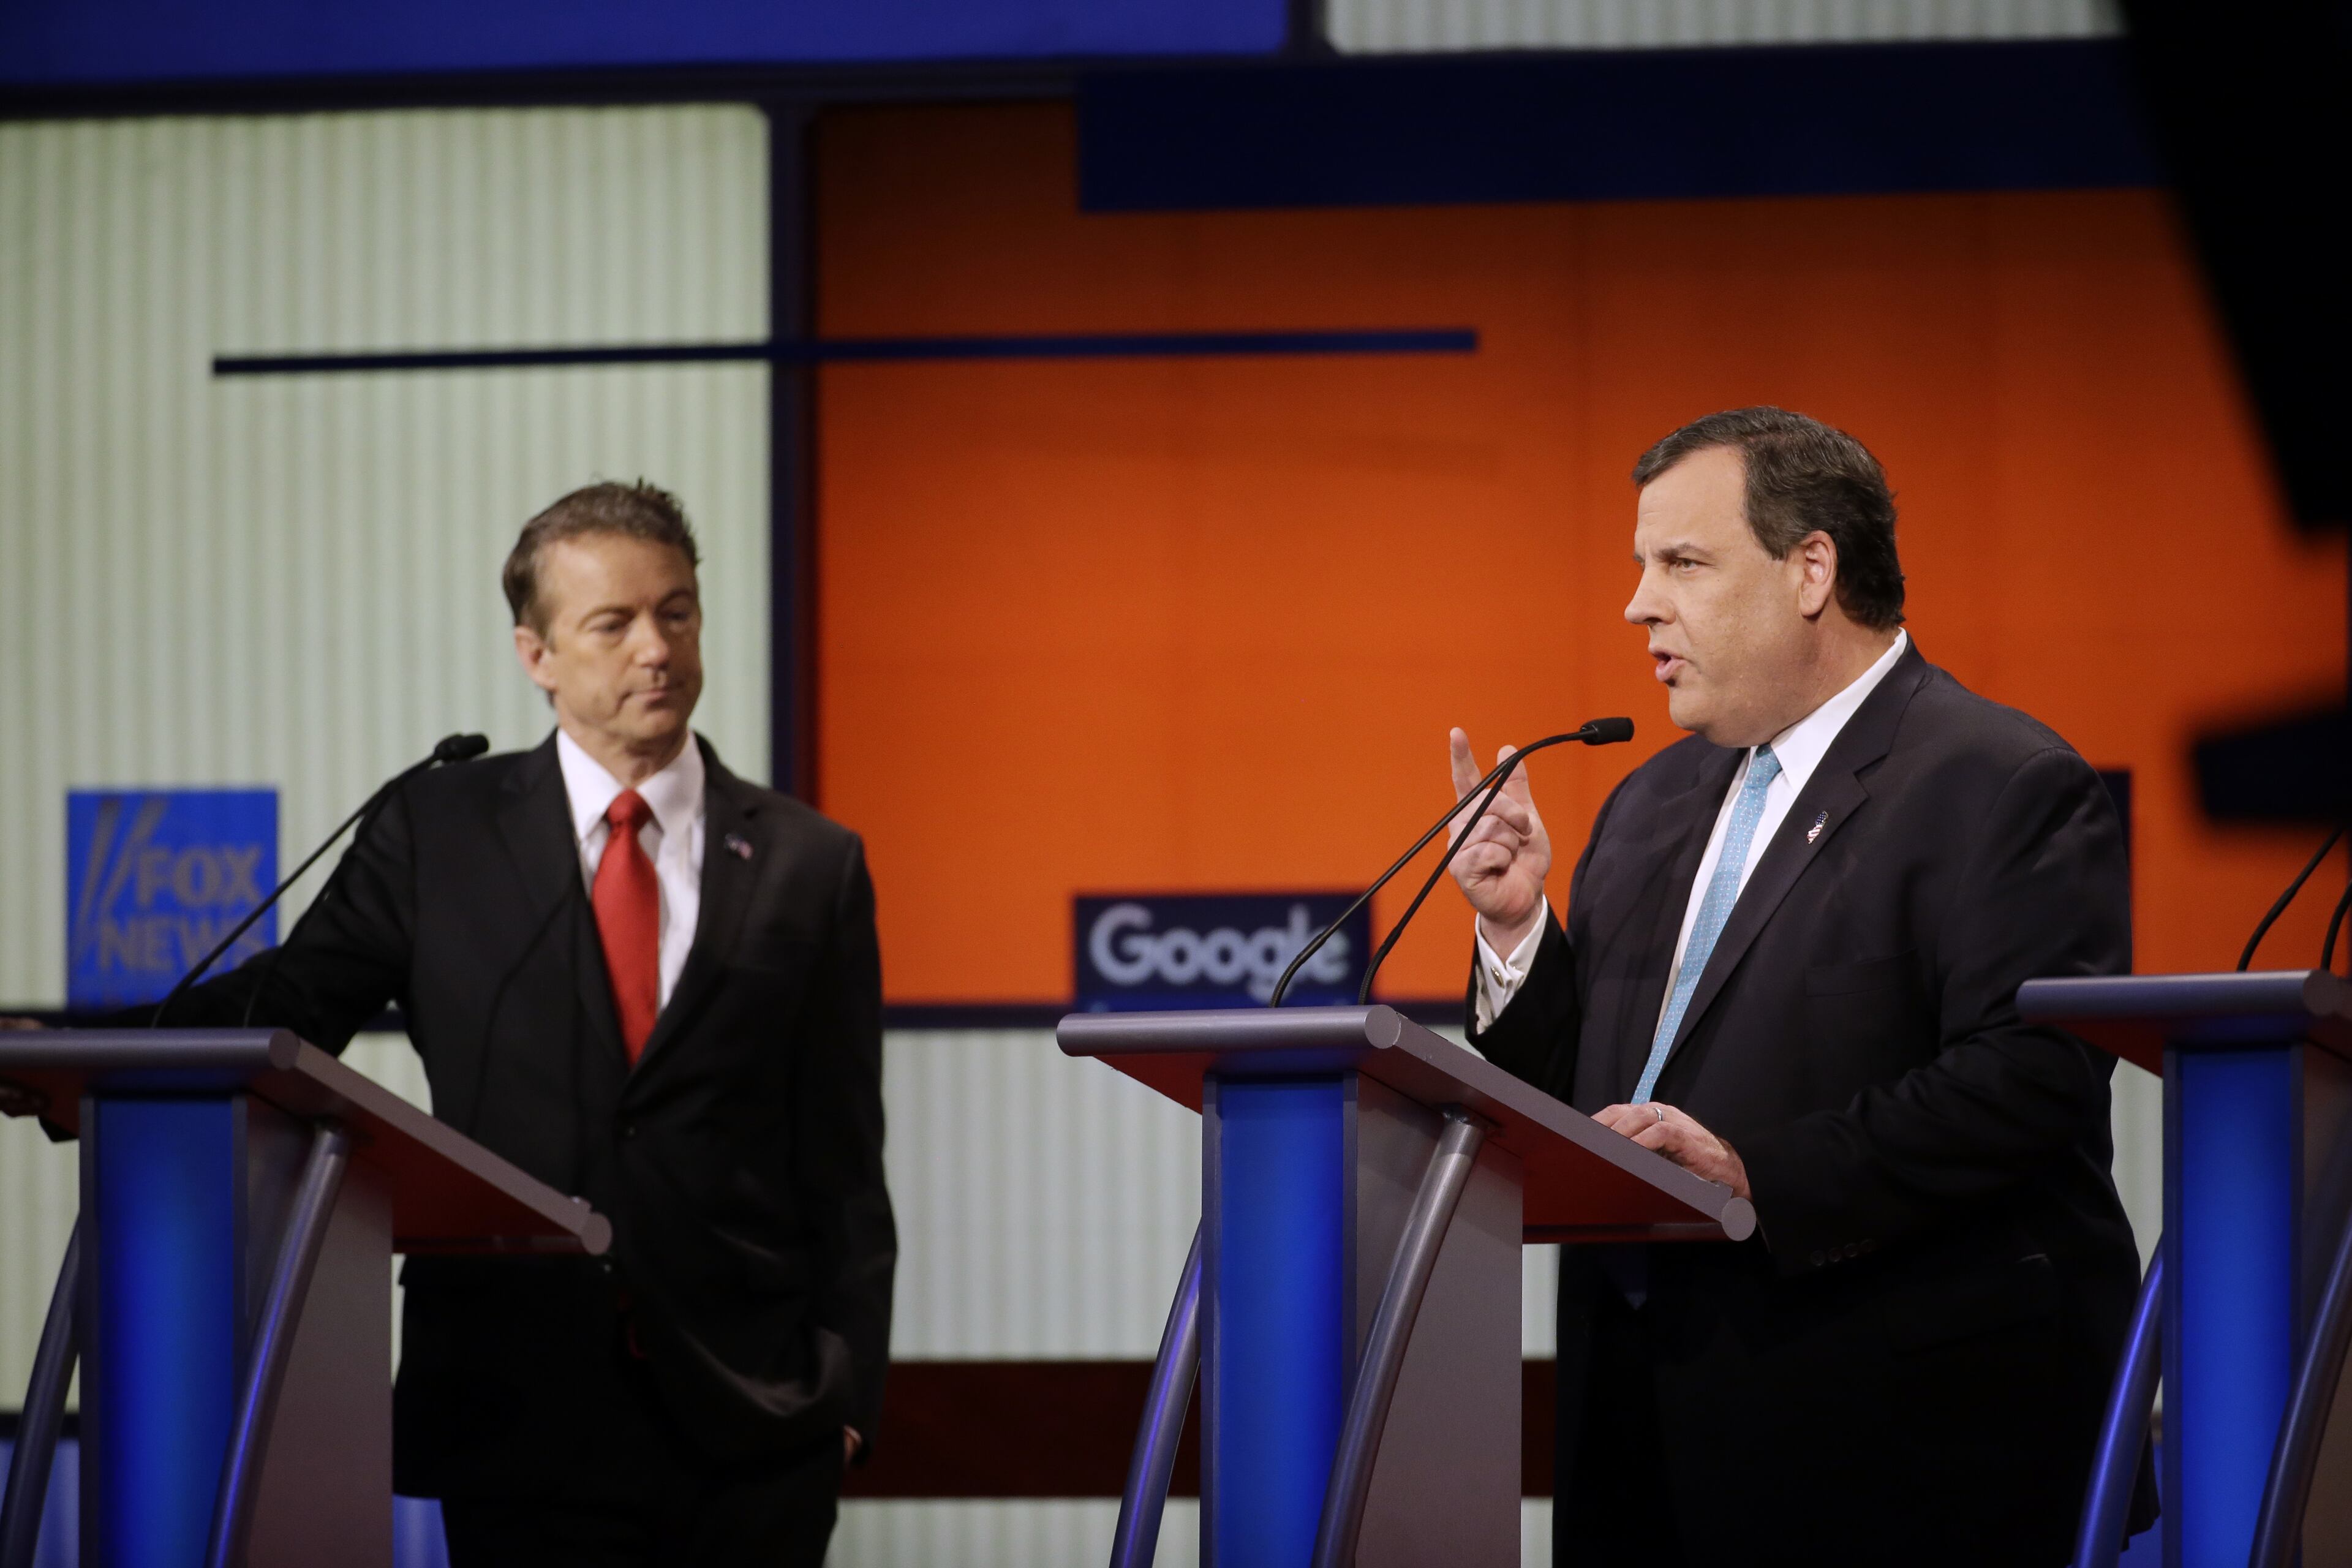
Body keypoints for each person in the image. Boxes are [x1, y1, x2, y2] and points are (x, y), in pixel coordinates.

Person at [143, 481, 892, 1567]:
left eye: (676, 613)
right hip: (517, 1398)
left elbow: (844, 1163)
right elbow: (294, 1004)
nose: (657, 649)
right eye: (615, 623)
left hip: (756, 1421)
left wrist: (848, 1393)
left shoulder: (808, 863)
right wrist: (100, 1055)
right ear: (535, 655)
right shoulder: (435, 830)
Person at [1446, 409, 2147, 1565]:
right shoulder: (1646, 806)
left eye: (1681, 563)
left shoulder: (2003, 783)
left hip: (1895, 1454)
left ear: (1811, 568)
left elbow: (2030, 1083)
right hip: (1641, 1437)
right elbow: (1598, 1105)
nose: (1638, 604)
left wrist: (1754, 1173)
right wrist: (1521, 933)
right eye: (1640, 566)